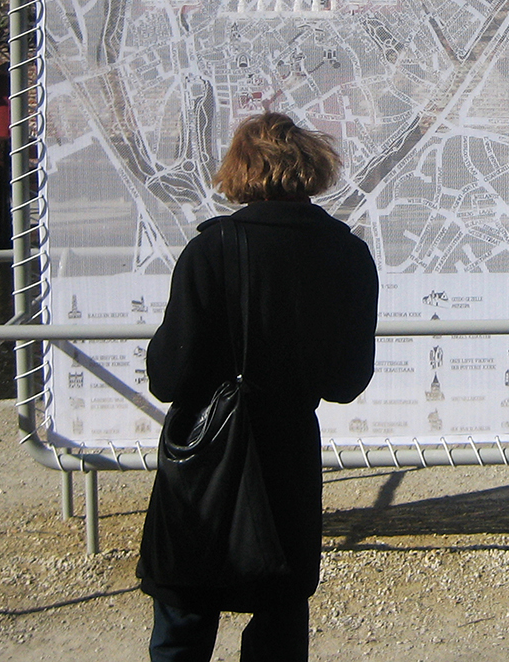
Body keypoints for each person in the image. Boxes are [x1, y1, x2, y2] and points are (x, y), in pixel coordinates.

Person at [138, 112, 379, 662]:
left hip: (205, 459)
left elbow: (168, 376)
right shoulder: (347, 253)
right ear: (313, 168)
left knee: (184, 614)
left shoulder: (211, 250)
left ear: (240, 171)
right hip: (286, 454)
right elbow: (346, 382)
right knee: (279, 609)